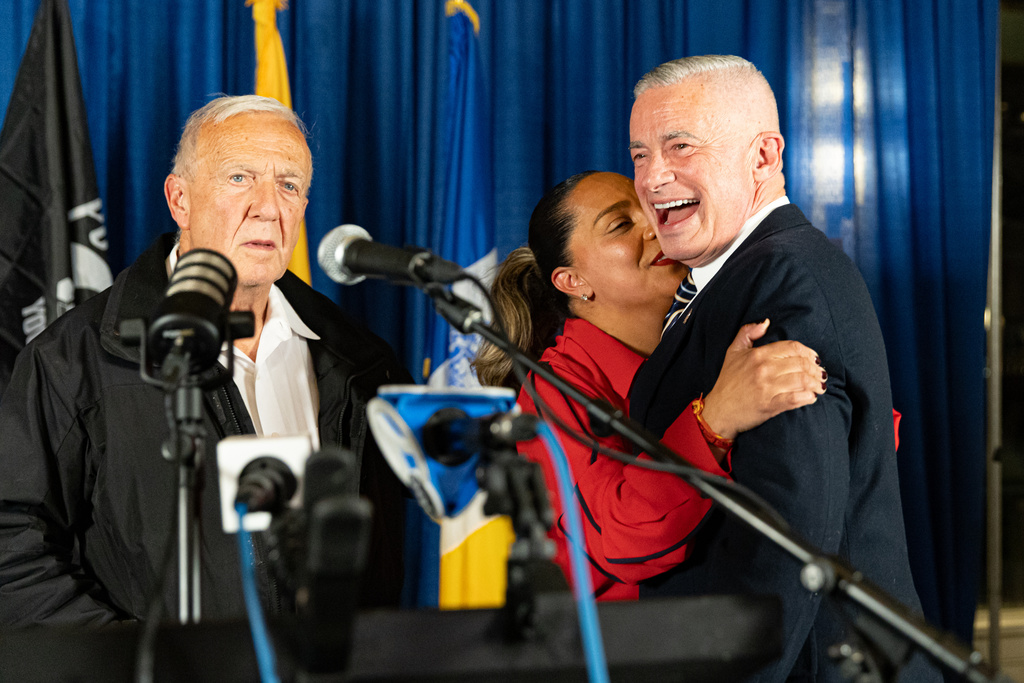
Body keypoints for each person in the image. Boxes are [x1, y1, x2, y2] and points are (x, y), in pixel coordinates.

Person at [0, 95, 408, 627]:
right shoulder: (73, 361)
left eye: (289, 185)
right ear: (180, 200)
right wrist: (136, 662)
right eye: (240, 178)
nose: (268, 206)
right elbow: (13, 548)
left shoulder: (360, 361)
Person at [627, 56, 937, 681]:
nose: (653, 177)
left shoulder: (782, 278)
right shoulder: (733, 279)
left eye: (679, 146)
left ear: (764, 158)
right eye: (638, 154)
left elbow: (787, 531)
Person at [476, 170, 826, 600]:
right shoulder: (554, 393)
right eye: (621, 225)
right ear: (573, 282)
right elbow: (622, 540)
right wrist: (714, 420)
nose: (655, 225)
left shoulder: (722, 331)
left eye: (649, 209)